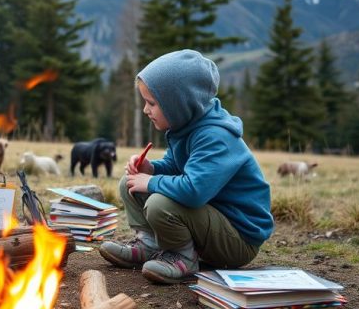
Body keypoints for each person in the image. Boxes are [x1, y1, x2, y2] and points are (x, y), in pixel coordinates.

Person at [99, 49, 274, 284]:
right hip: (210, 219)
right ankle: (149, 245)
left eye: (152, 103)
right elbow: (175, 165)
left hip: (237, 240)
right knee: (129, 183)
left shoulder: (215, 137)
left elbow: (193, 191)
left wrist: (151, 182)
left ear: (178, 104)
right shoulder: (185, 126)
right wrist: (152, 170)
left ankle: (183, 257)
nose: (145, 110)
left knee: (159, 202)